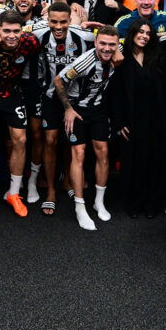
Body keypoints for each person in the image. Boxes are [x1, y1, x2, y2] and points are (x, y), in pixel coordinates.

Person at [54, 26, 120, 230]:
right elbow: (58, 80)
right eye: (103, 43)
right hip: (77, 109)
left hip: (98, 109)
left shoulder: (117, 54)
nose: (107, 48)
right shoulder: (85, 62)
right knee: (79, 154)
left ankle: (99, 201)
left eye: (112, 44)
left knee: (103, 152)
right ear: (95, 43)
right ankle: (80, 206)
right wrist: (68, 108)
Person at [0, 10, 41, 218]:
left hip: (13, 94)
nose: (12, 35)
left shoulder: (30, 42)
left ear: (22, 30)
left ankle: (13, 193)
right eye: (6, 31)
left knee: (20, 140)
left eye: (16, 31)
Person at [31, 2, 95, 216]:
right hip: (50, 96)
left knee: (70, 140)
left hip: (74, 98)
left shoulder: (83, 36)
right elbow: (11, 29)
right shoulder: (38, 33)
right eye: (53, 22)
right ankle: (50, 190)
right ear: (47, 20)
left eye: (63, 22)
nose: (58, 27)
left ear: (70, 21)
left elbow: (112, 40)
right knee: (50, 140)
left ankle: (67, 180)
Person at [112, 19, 166, 218]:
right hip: (131, 120)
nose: (144, 36)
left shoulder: (158, 57)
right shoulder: (121, 58)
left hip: (156, 119)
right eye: (140, 32)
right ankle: (134, 203)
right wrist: (119, 123)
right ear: (132, 33)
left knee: (155, 161)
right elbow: (116, 94)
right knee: (133, 162)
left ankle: (152, 203)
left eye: (148, 33)